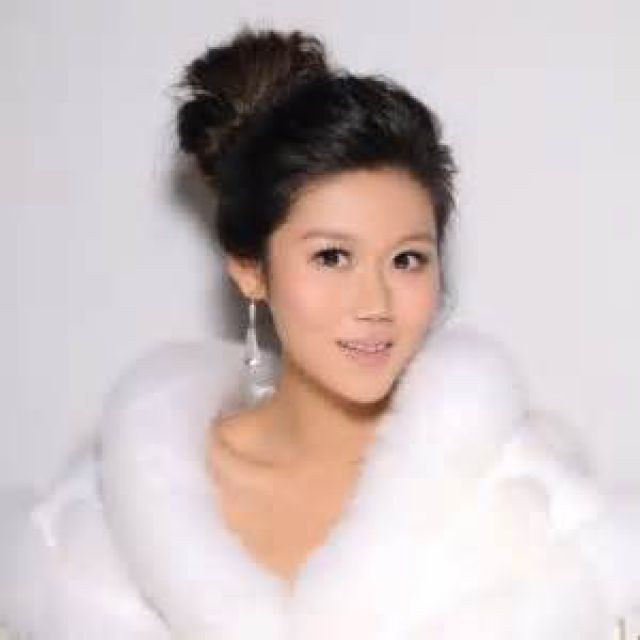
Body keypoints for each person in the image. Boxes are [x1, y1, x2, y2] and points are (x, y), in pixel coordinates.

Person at [1, 26, 638, 640]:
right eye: (332, 257)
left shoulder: (539, 522)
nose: (375, 303)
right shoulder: (97, 532)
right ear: (251, 270)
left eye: (407, 259)